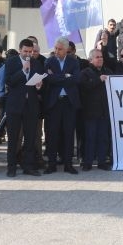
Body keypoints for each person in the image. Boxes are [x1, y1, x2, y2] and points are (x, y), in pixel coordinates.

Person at [4, 39, 45, 177]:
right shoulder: (11, 62)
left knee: (30, 137)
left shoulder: (37, 63)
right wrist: (23, 71)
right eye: (25, 51)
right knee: (14, 138)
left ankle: (28, 166)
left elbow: (39, 81)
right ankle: (11, 167)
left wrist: (39, 86)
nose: (28, 54)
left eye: (30, 52)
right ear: (20, 50)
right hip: (15, 106)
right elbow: (9, 81)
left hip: (31, 105)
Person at [43, 37, 81, 175]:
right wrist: (65, 77)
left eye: (59, 49)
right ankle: (51, 164)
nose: (56, 51)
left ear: (66, 50)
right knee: (53, 134)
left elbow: (76, 79)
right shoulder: (50, 61)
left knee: (69, 133)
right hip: (54, 103)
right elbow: (48, 78)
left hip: (68, 103)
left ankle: (68, 164)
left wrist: (57, 77)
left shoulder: (73, 61)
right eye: (56, 48)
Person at [78, 49, 113, 171]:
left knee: (103, 137)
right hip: (90, 112)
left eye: (101, 57)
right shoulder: (85, 73)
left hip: (104, 111)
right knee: (90, 138)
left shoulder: (108, 71)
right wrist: (99, 80)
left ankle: (102, 161)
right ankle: (88, 162)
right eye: (97, 57)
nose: (100, 59)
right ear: (91, 59)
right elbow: (85, 87)